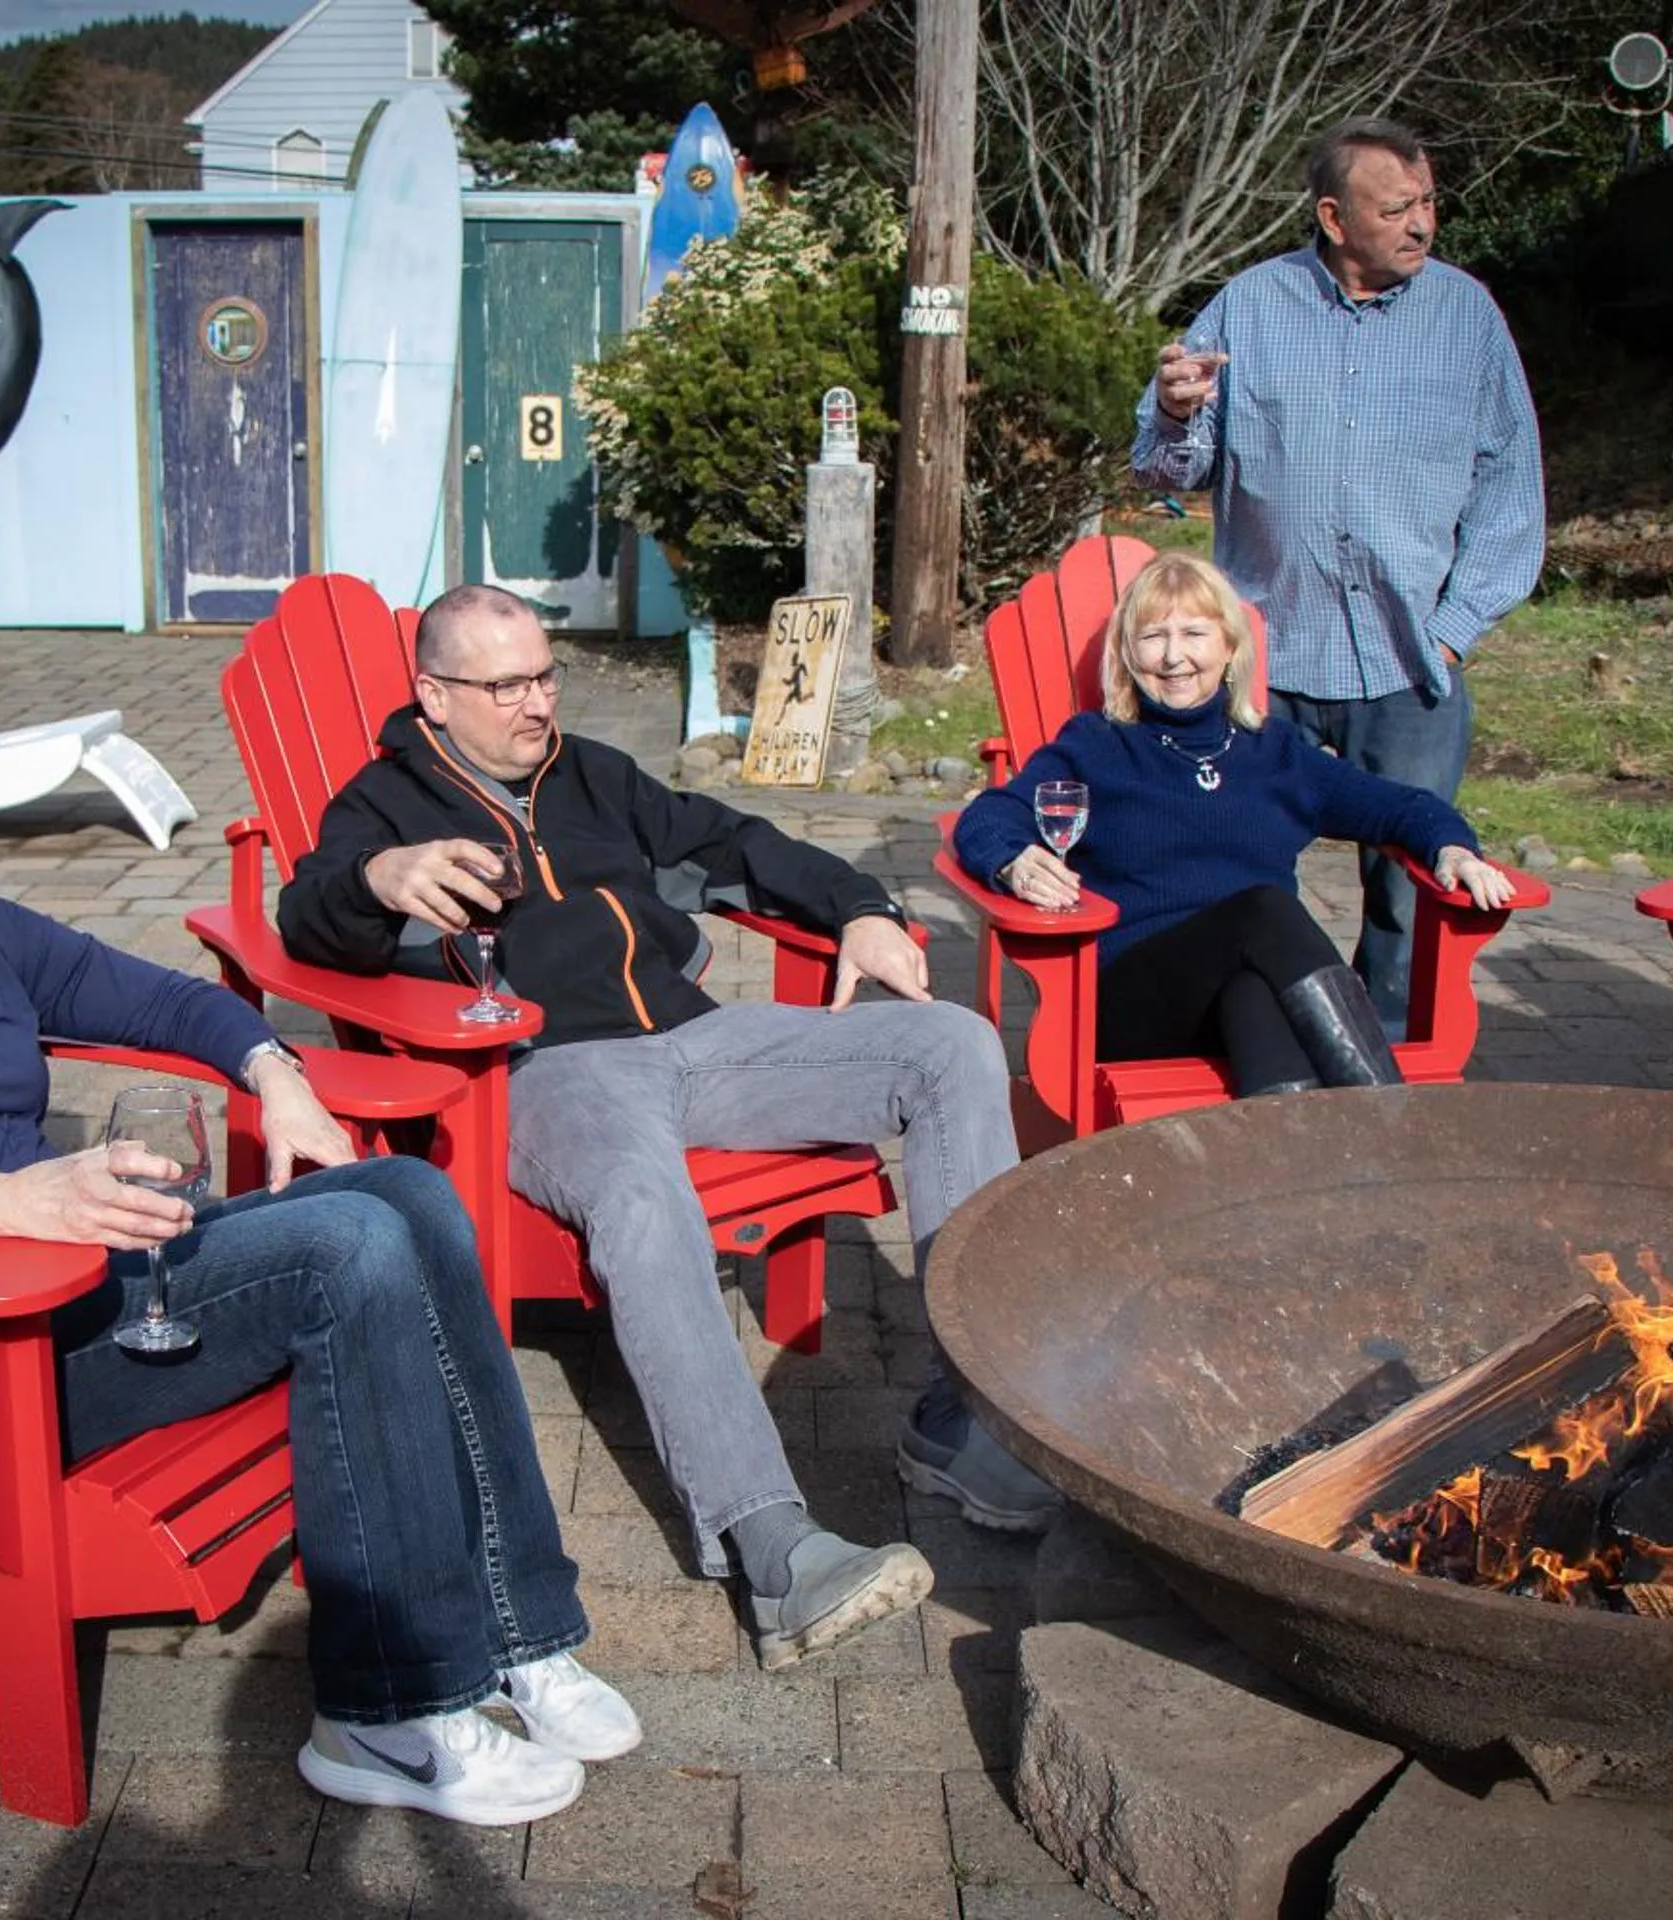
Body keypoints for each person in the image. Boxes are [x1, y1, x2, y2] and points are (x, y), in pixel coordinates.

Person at [0, 679, 634, 1830]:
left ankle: (517, 1631)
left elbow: (152, 999)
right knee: (345, 1247)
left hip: (95, 1293)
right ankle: (383, 1711)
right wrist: (3, 1201)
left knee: (410, 1195)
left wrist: (275, 1074)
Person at [274, 585, 1057, 1670]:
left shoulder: (591, 774)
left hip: (697, 1041)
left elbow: (736, 838)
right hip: (544, 1073)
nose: (537, 703)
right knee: (643, 1196)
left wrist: (863, 910)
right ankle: (773, 1548)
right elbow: (305, 916)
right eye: (506, 685)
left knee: (954, 1046)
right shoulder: (383, 804)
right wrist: (376, 877)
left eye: (545, 675)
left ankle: (967, 1421)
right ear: (434, 695)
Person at [1132, 115, 1545, 1034]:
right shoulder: (1248, 306)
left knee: (1407, 885)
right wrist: (1170, 411)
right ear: (1332, 215)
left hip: (1409, 660)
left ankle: (1387, 1057)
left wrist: (1452, 626)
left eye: (1429, 202)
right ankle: (1252, 1028)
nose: (1422, 224)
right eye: (1396, 207)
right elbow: (1167, 472)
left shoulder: (1467, 316)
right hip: (1266, 657)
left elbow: (1513, 491)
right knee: (1233, 861)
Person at [955, 552, 1514, 1093]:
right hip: (1132, 1005)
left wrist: (1452, 849)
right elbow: (989, 817)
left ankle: (1297, 1171)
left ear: (1229, 646)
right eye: (1153, 637)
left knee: (1253, 995)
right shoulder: (1096, 747)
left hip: (1241, 993)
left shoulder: (1275, 754)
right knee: (1263, 909)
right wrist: (1013, 860)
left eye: (1194, 635)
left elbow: (1401, 807)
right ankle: (1391, 1119)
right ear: (1127, 654)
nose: (1174, 657)